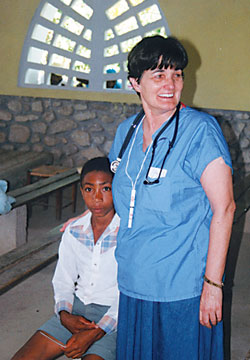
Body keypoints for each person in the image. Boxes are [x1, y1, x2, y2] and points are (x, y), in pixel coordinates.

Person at [109, 35, 236, 359]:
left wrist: (213, 285)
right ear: (135, 83)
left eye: (177, 74)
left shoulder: (200, 131)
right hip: (134, 280)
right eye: (159, 75)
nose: (170, 84)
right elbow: (127, 198)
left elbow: (224, 208)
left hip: (182, 286)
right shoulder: (127, 132)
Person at [11, 157, 120, 360]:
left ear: (118, 189)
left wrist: (96, 332)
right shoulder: (74, 231)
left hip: (114, 318)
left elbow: (129, 293)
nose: (97, 197)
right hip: (76, 311)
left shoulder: (127, 234)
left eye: (106, 189)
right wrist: (64, 315)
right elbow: (63, 279)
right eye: (89, 189)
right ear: (81, 191)